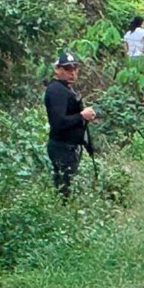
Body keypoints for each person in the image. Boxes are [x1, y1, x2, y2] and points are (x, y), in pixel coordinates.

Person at [44, 52, 96, 197]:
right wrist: (81, 116)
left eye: (75, 68)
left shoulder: (65, 88)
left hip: (70, 147)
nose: (72, 73)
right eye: (67, 69)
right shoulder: (56, 90)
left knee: (67, 187)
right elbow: (58, 122)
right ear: (57, 69)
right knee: (63, 190)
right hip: (62, 148)